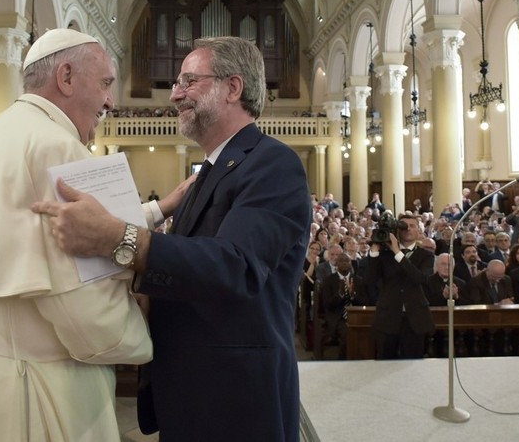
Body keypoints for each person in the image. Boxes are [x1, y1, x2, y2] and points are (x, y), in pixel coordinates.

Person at [33, 36, 311, 441]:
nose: (175, 94)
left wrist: (121, 238)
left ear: (233, 88)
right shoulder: (207, 176)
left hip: (237, 400)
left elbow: (236, 265)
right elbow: (186, 275)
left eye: (188, 81)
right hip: (194, 391)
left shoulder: (272, 163)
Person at [0, 29, 175, 442]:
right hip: (22, 391)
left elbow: (26, 237)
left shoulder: (0, 131)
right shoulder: (57, 146)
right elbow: (82, 306)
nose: (110, 100)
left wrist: (158, 209)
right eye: (105, 83)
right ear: (66, 77)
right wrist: (151, 340)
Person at [365, 214, 434, 359]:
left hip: (414, 319)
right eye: (403, 226)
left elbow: (419, 278)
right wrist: (374, 251)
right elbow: (370, 281)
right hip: (388, 318)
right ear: (397, 231)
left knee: (413, 364)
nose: (408, 229)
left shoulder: (426, 256)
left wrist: (397, 252)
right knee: (385, 362)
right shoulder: (384, 255)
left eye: (412, 226)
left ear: (419, 232)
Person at [320, 253, 366, 359]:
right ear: (336, 264)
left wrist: (353, 295)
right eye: (342, 261)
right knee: (348, 332)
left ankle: (363, 359)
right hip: (338, 317)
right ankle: (344, 361)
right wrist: (340, 295)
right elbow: (327, 305)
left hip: (357, 316)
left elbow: (365, 301)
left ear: (351, 264)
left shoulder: (358, 280)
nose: (345, 263)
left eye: (347, 261)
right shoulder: (329, 280)